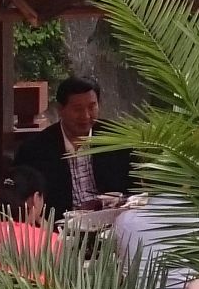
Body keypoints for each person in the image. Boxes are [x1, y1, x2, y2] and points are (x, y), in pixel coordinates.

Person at [11, 77, 132, 216]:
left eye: (92, 107)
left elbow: (134, 191)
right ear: (60, 109)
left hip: (113, 221)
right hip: (60, 228)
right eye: (77, 109)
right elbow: (21, 196)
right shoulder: (35, 149)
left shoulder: (117, 139)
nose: (86, 116)